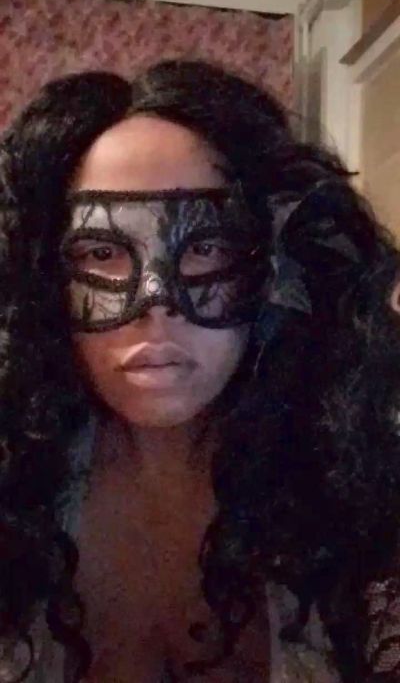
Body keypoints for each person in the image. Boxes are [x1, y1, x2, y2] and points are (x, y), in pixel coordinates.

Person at [0, 60, 399, 683]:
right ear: (43, 277)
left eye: (206, 247)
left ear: (275, 265)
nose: (156, 304)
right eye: (102, 252)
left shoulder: (362, 494)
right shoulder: (15, 487)